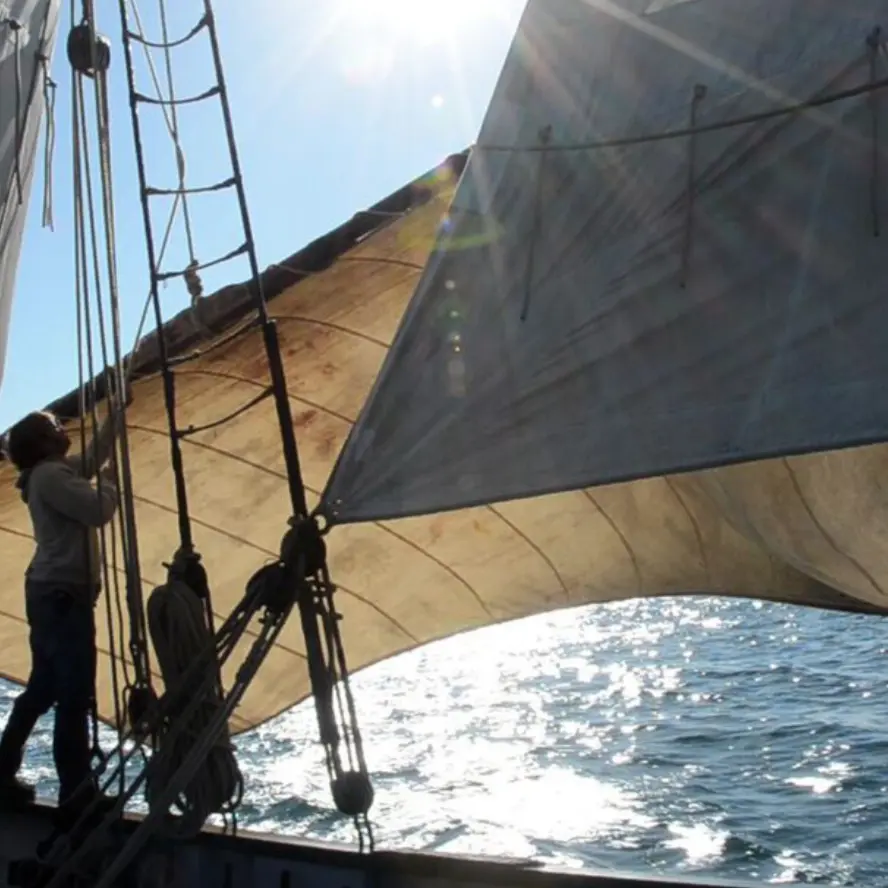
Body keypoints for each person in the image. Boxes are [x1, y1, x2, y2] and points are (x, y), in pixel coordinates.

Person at [0, 407, 119, 811]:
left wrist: (115, 418)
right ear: (44, 442)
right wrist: (111, 483)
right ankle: (76, 790)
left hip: (53, 594)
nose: (62, 428)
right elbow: (98, 510)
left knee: (44, 688)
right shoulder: (51, 476)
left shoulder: (51, 472)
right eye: (55, 427)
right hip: (62, 596)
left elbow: (89, 460)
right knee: (73, 694)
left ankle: (1, 772)